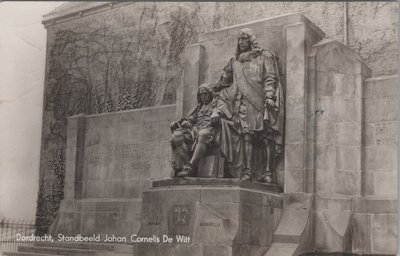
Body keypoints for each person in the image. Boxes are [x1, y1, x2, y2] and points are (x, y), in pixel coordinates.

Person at [213, 28, 284, 183]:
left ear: (251, 40)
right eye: (239, 40)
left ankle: (268, 172)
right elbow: (226, 79)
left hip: (261, 101)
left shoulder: (264, 56)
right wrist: (214, 87)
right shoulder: (235, 62)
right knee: (247, 137)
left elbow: (270, 77)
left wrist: (270, 95)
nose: (241, 42)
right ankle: (247, 171)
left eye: (244, 39)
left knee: (266, 138)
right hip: (243, 103)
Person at [170, 83, 235, 177]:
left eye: (205, 94)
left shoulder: (216, 102)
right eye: (201, 95)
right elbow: (190, 118)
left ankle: (190, 166)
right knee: (176, 135)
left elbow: (224, 109)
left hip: (210, 130)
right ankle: (189, 165)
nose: (203, 97)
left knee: (203, 134)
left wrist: (216, 112)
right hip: (194, 130)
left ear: (210, 93)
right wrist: (185, 122)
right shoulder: (198, 107)